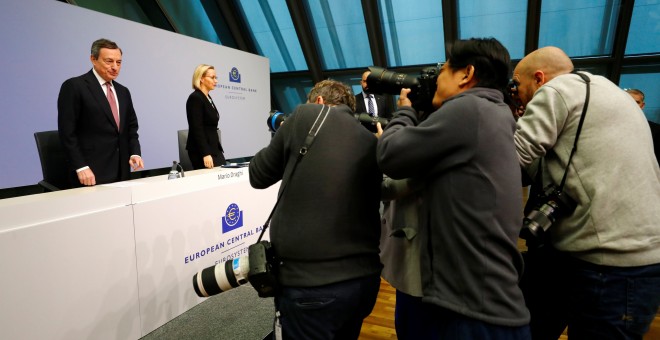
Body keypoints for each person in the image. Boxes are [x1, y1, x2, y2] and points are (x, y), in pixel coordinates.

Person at [377, 37, 530, 339]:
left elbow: (390, 155)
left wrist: (405, 111)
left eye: (445, 70)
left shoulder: (468, 109)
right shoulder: (497, 113)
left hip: (470, 313)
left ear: (466, 74)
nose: (437, 81)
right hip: (489, 299)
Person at [513, 46, 660, 339]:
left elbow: (510, 158)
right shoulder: (607, 91)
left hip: (610, 268)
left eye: (517, 84)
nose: (515, 92)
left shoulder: (556, 90)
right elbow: (541, 168)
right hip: (630, 263)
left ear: (539, 78)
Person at [248, 79, 383, 339]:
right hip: (363, 283)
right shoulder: (369, 140)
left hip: (312, 286)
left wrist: (285, 130)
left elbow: (258, 175)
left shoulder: (306, 115)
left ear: (318, 101)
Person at [58, 38, 143, 186]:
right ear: (93, 59)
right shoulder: (74, 86)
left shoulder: (123, 91)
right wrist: (81, 166)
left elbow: (131, 127)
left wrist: (135, 152)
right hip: (90, 173)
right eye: (109, 61)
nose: (115, 67)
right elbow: (67, 133)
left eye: (119, 62)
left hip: (122, 171)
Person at [186, 64, 225, 169]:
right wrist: (205, 154)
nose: (215, 81)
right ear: (201, 79)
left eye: (216, 77)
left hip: (214, 148)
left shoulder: (207, 97)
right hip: (202, 151)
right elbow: (196, 128)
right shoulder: (195, 98)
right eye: (212, 77)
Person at [624, 88, 659, 165]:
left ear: (642, 105)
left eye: (637, 102)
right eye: (629, 100)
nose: (633, 104)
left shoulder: (656, 130)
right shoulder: (609, 126)